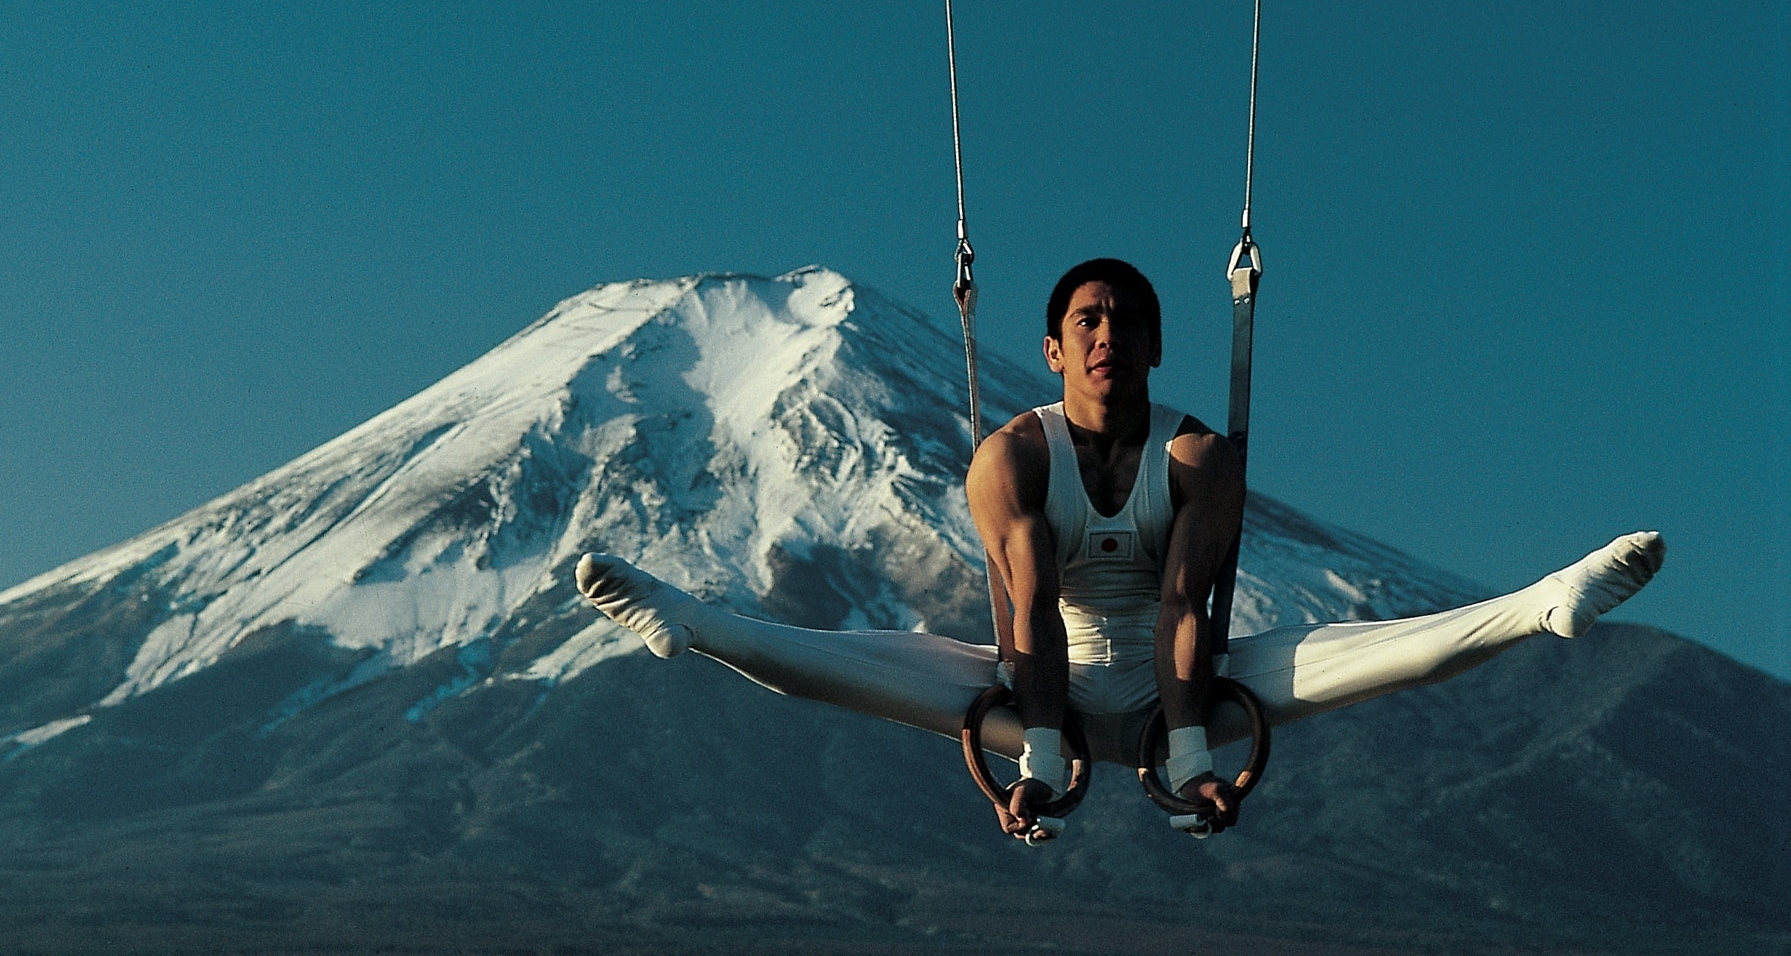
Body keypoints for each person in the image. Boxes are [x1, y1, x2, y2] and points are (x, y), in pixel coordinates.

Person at [575, 258, 1664, 843]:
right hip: (1025, 681)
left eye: (1125, 321)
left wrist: (1190, 753)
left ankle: (1543, 603)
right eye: (1086, 321)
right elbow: (1033, 609)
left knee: (1367, 651)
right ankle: (698, 623)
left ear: (1153, 346)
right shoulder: (1009, 458)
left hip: (1179, 681)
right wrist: (1041, 757)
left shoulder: (1196, 458)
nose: (1106, 335)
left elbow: (1190, 605)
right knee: (839, 662)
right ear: (1052, 348)